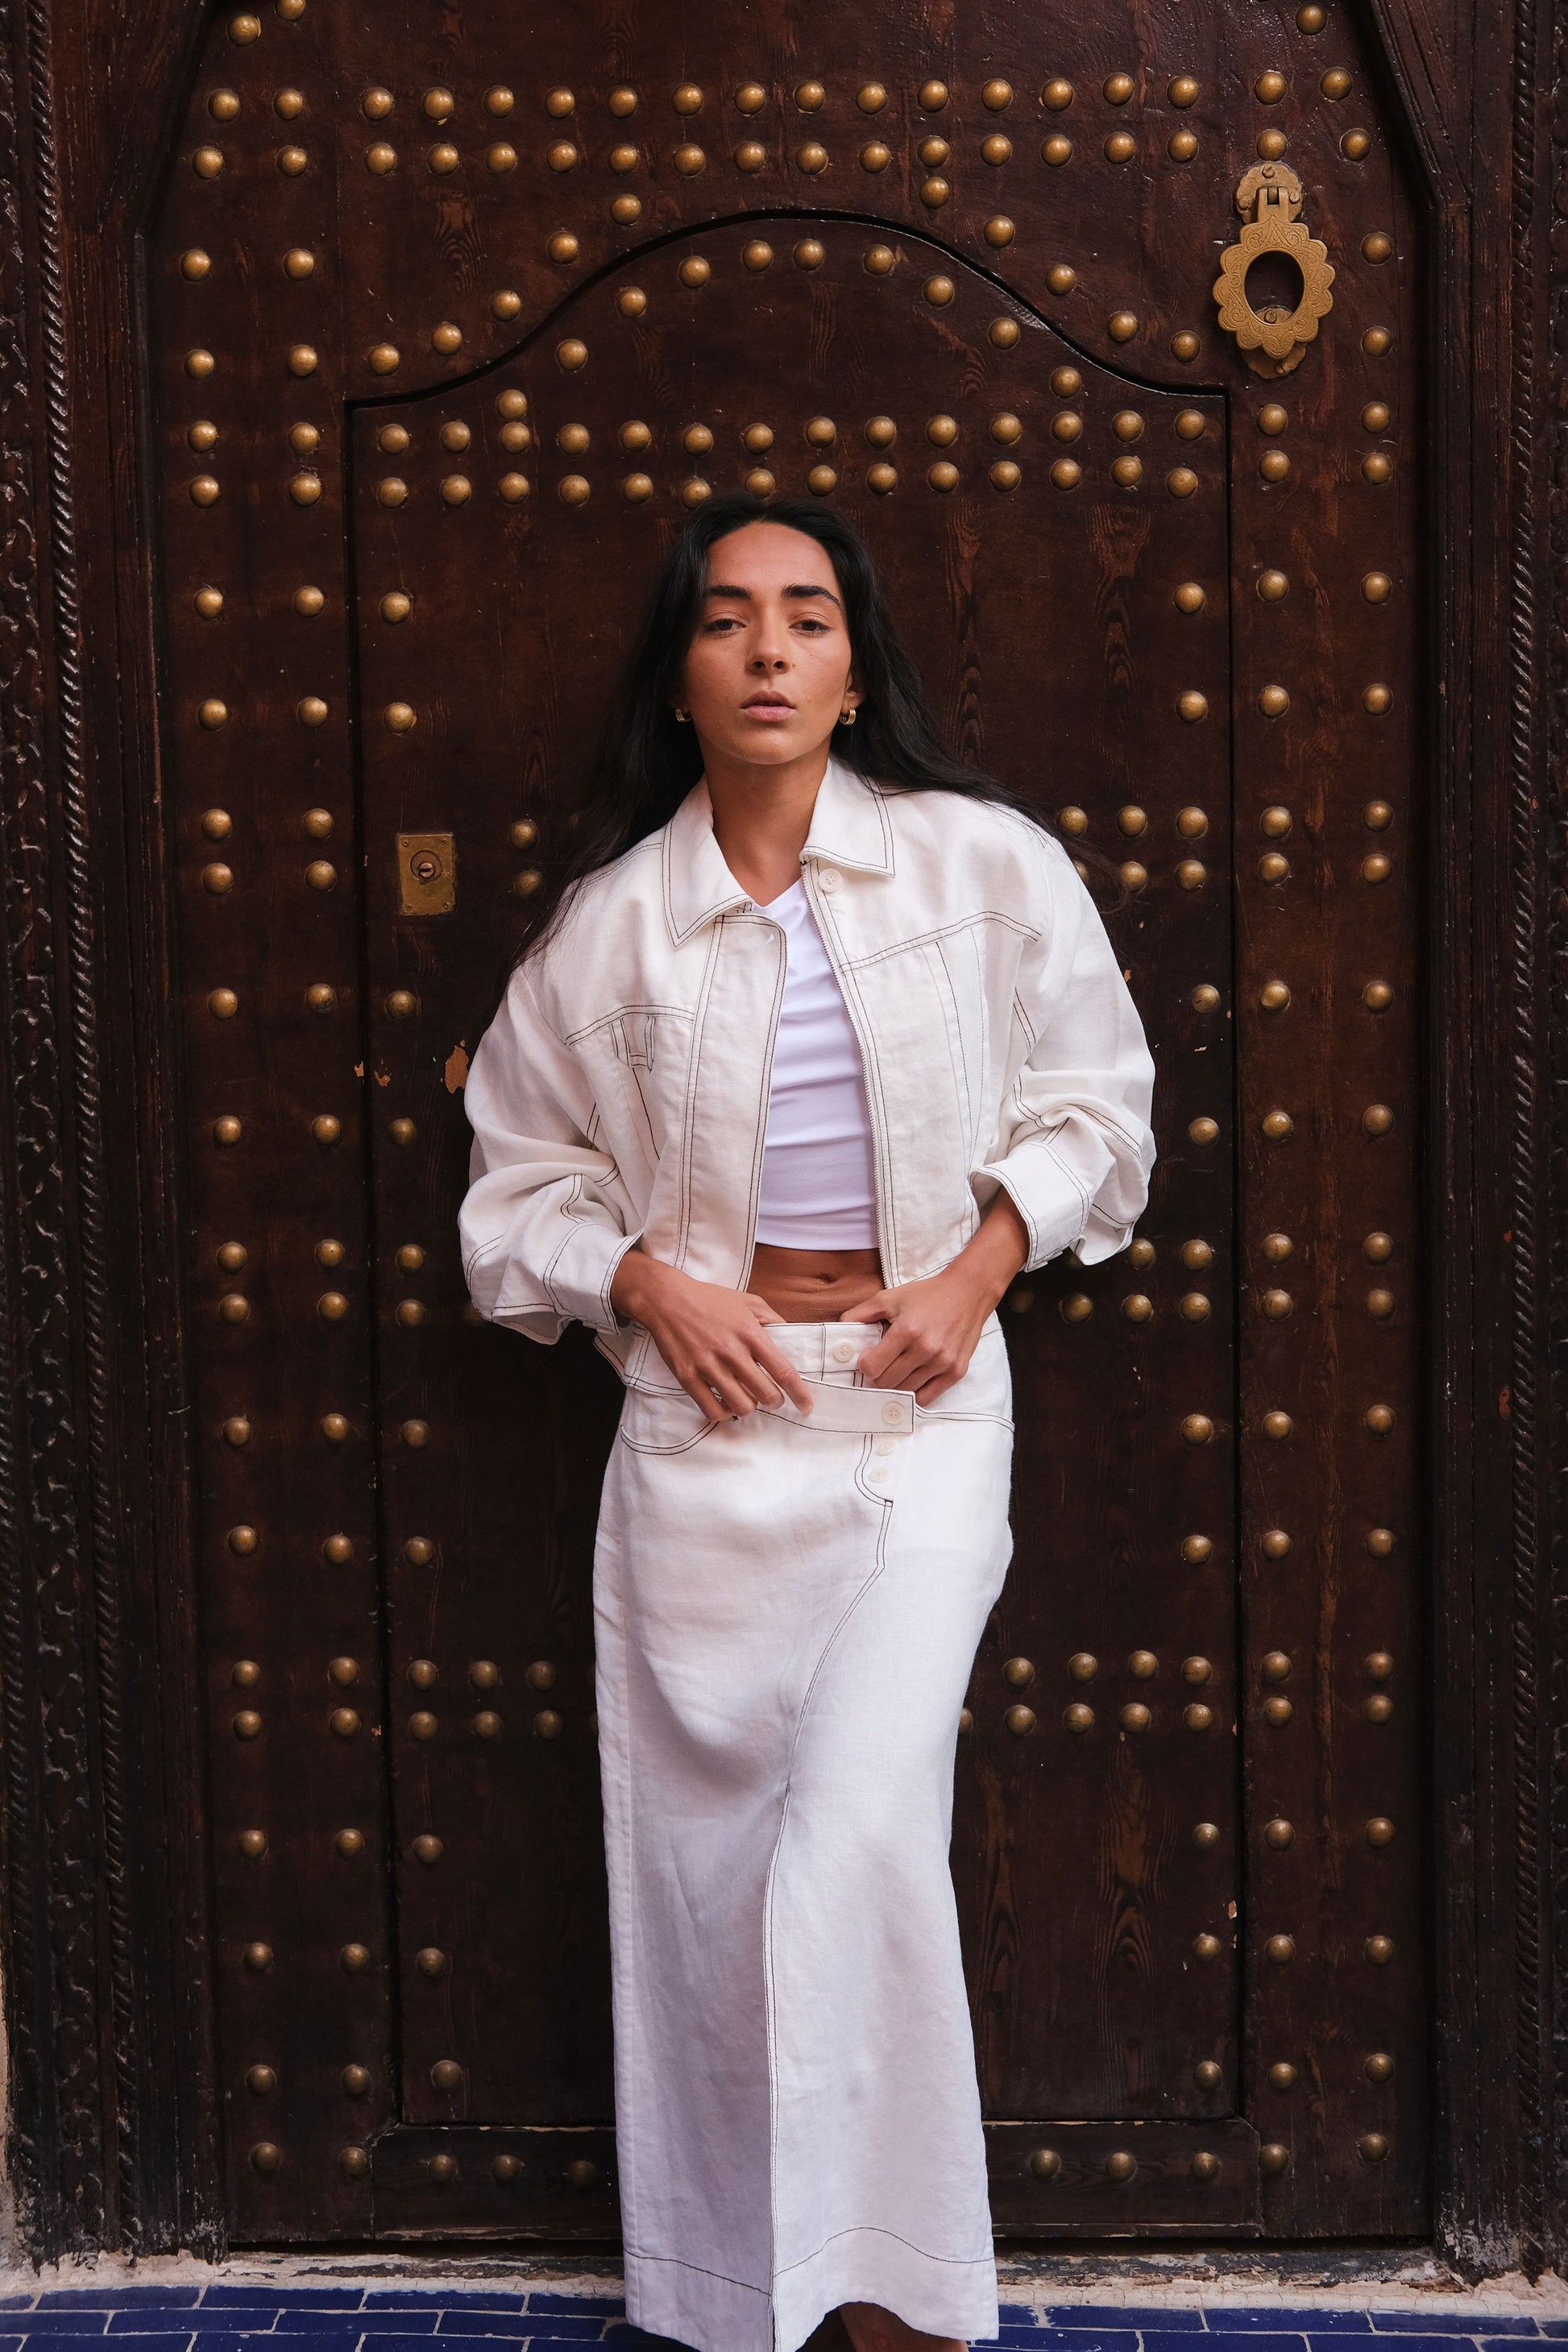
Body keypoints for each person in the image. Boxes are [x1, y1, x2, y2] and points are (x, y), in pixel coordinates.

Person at [458, 493, 1155, 2352]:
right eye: (725, 620)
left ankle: (898, 2305)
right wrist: (646, 1278)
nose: (768, 649)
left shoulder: (979, 868)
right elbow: (506, 1199)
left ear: (856, 673)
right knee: (705, 1884)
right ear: (680, 675)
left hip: (915, 1414)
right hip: (701, 1447)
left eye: (808, 618)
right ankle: (736, 2295)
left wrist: (980, 1261)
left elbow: (1104, 1108)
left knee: (854, 1825)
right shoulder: (609, 931)